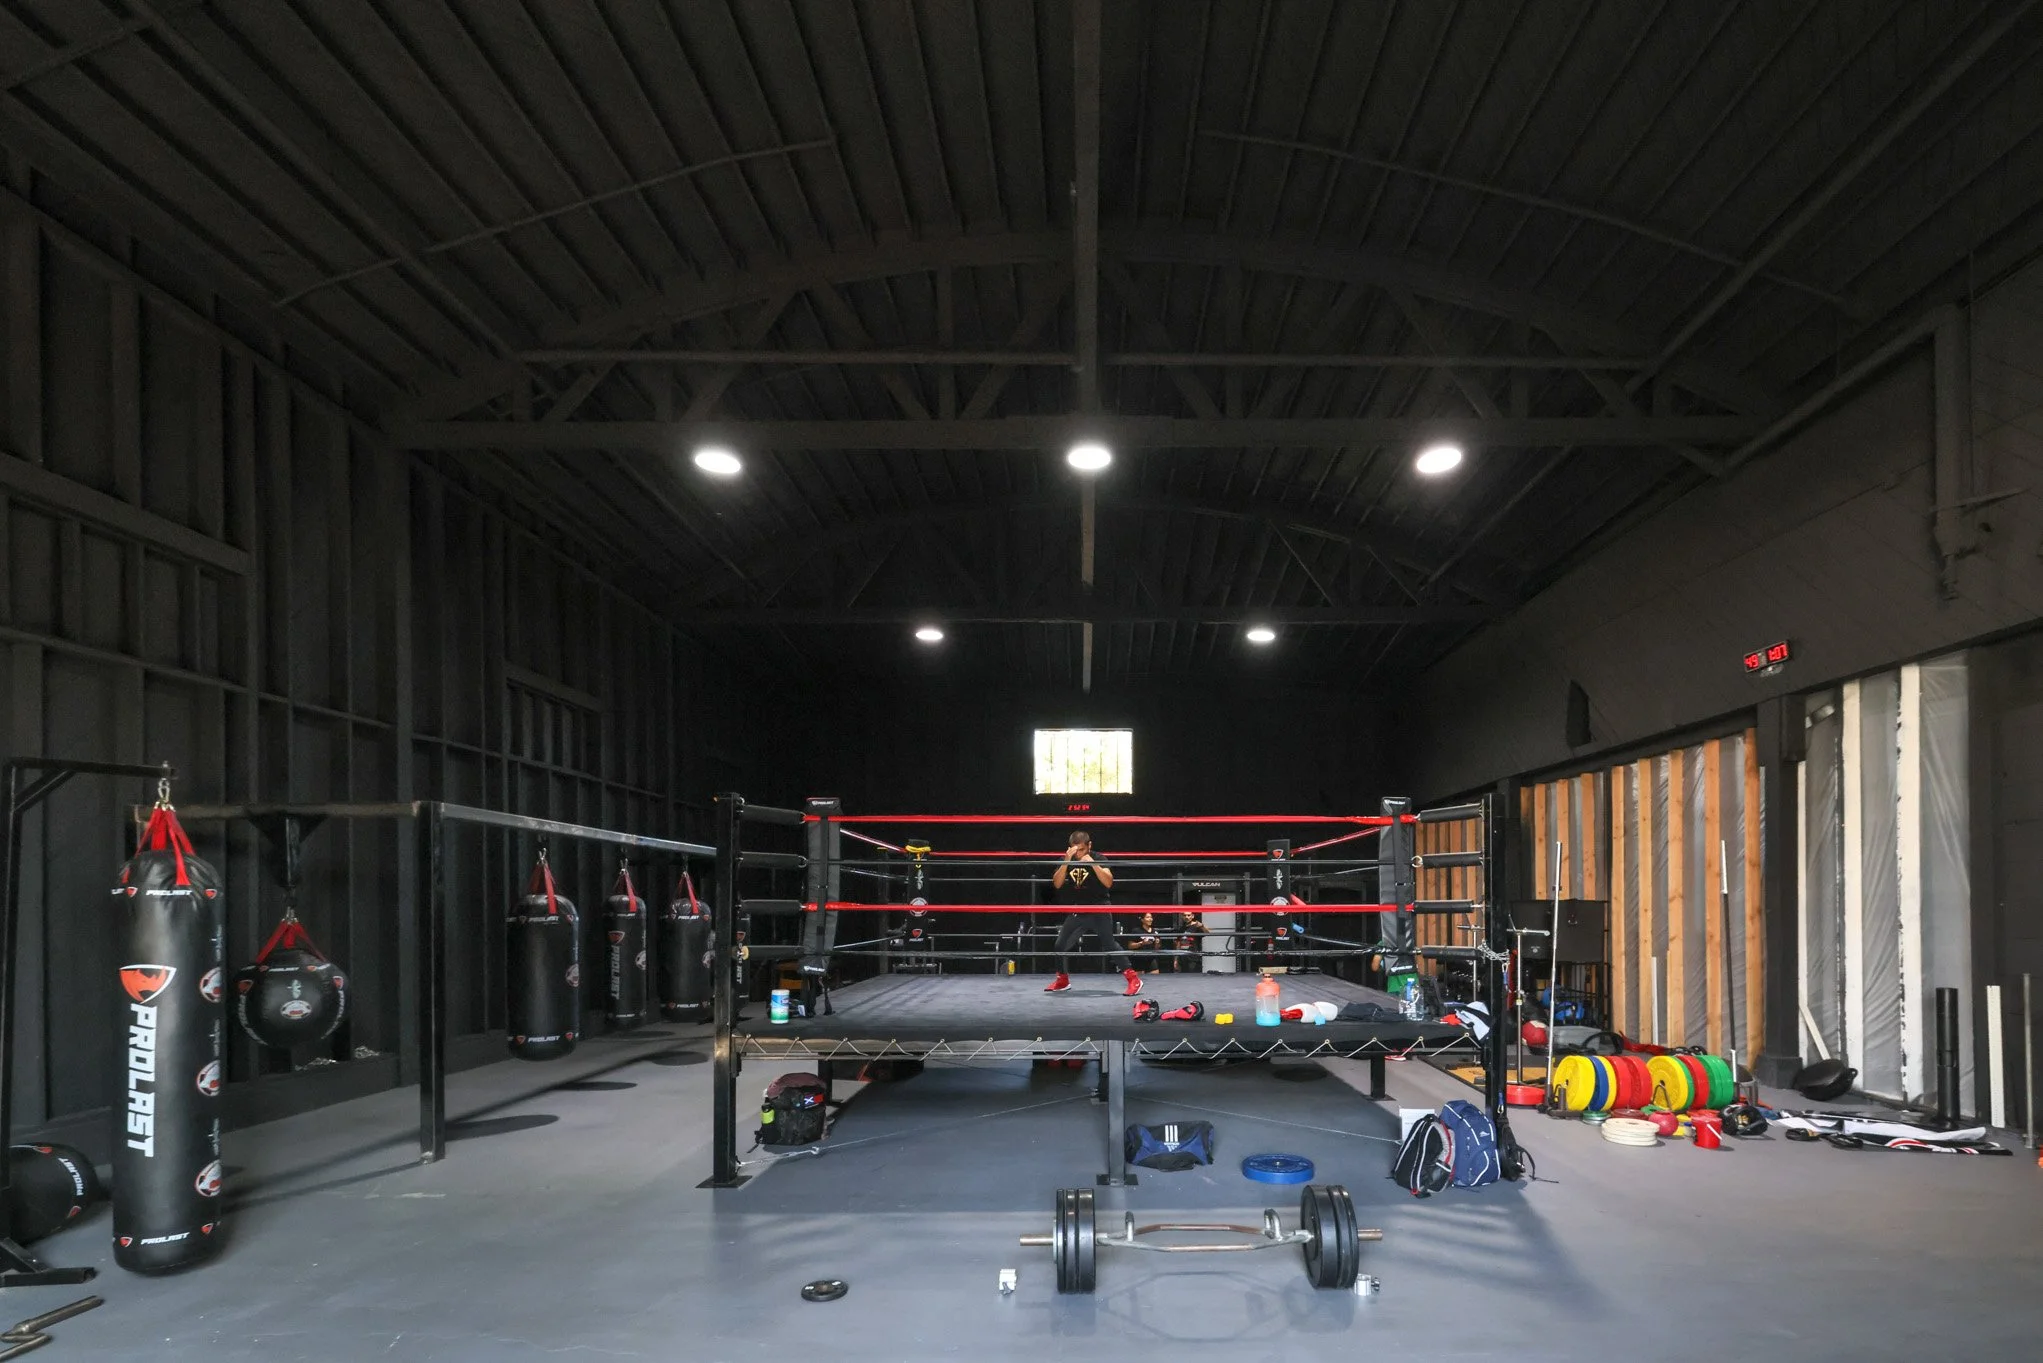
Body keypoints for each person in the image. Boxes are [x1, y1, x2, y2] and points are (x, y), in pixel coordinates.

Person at [1044, 830, 1142, 995]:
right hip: (1078, 909)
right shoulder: (1066, 860)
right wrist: (1066, 862)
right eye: (1075, 850)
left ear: (1089, 846)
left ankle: (1134, 980)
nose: (1079, 853)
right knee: (1060, 944)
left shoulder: (1099, 858)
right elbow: (1057, 884)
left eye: (1082, 849)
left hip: (1099, 907)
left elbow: (1109, 882)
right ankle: (1062, 980)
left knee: (1109, 944)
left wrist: (1093, 865)